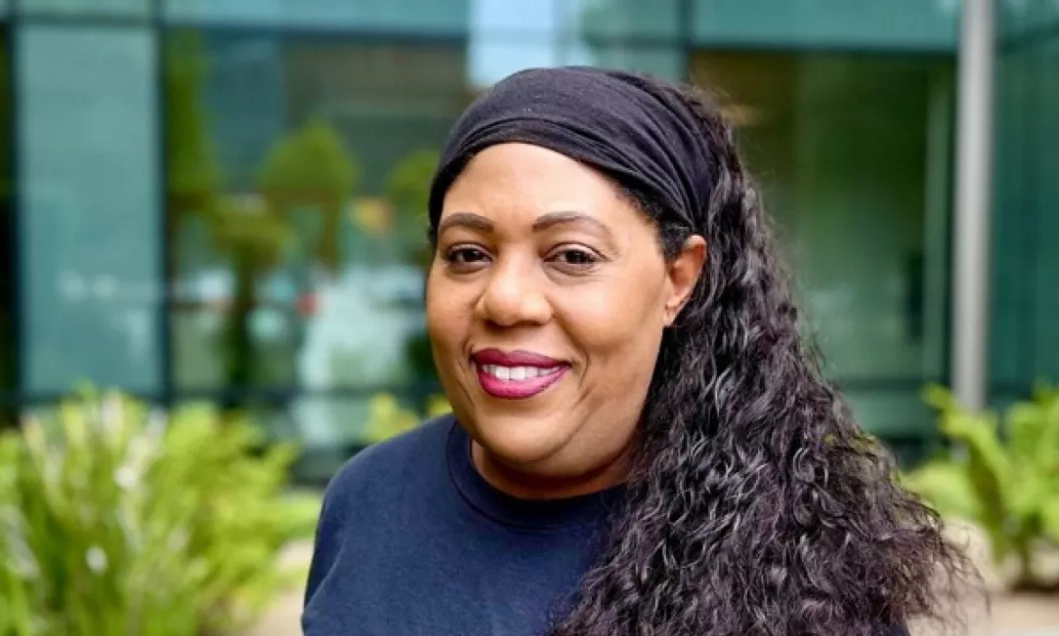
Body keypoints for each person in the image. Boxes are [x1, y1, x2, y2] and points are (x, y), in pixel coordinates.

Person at [302, 66, 970, 636]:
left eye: (571, 256)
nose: (504, 301)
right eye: (467, 254)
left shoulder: (800, 562)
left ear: (679, 279)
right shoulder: (367, 501)